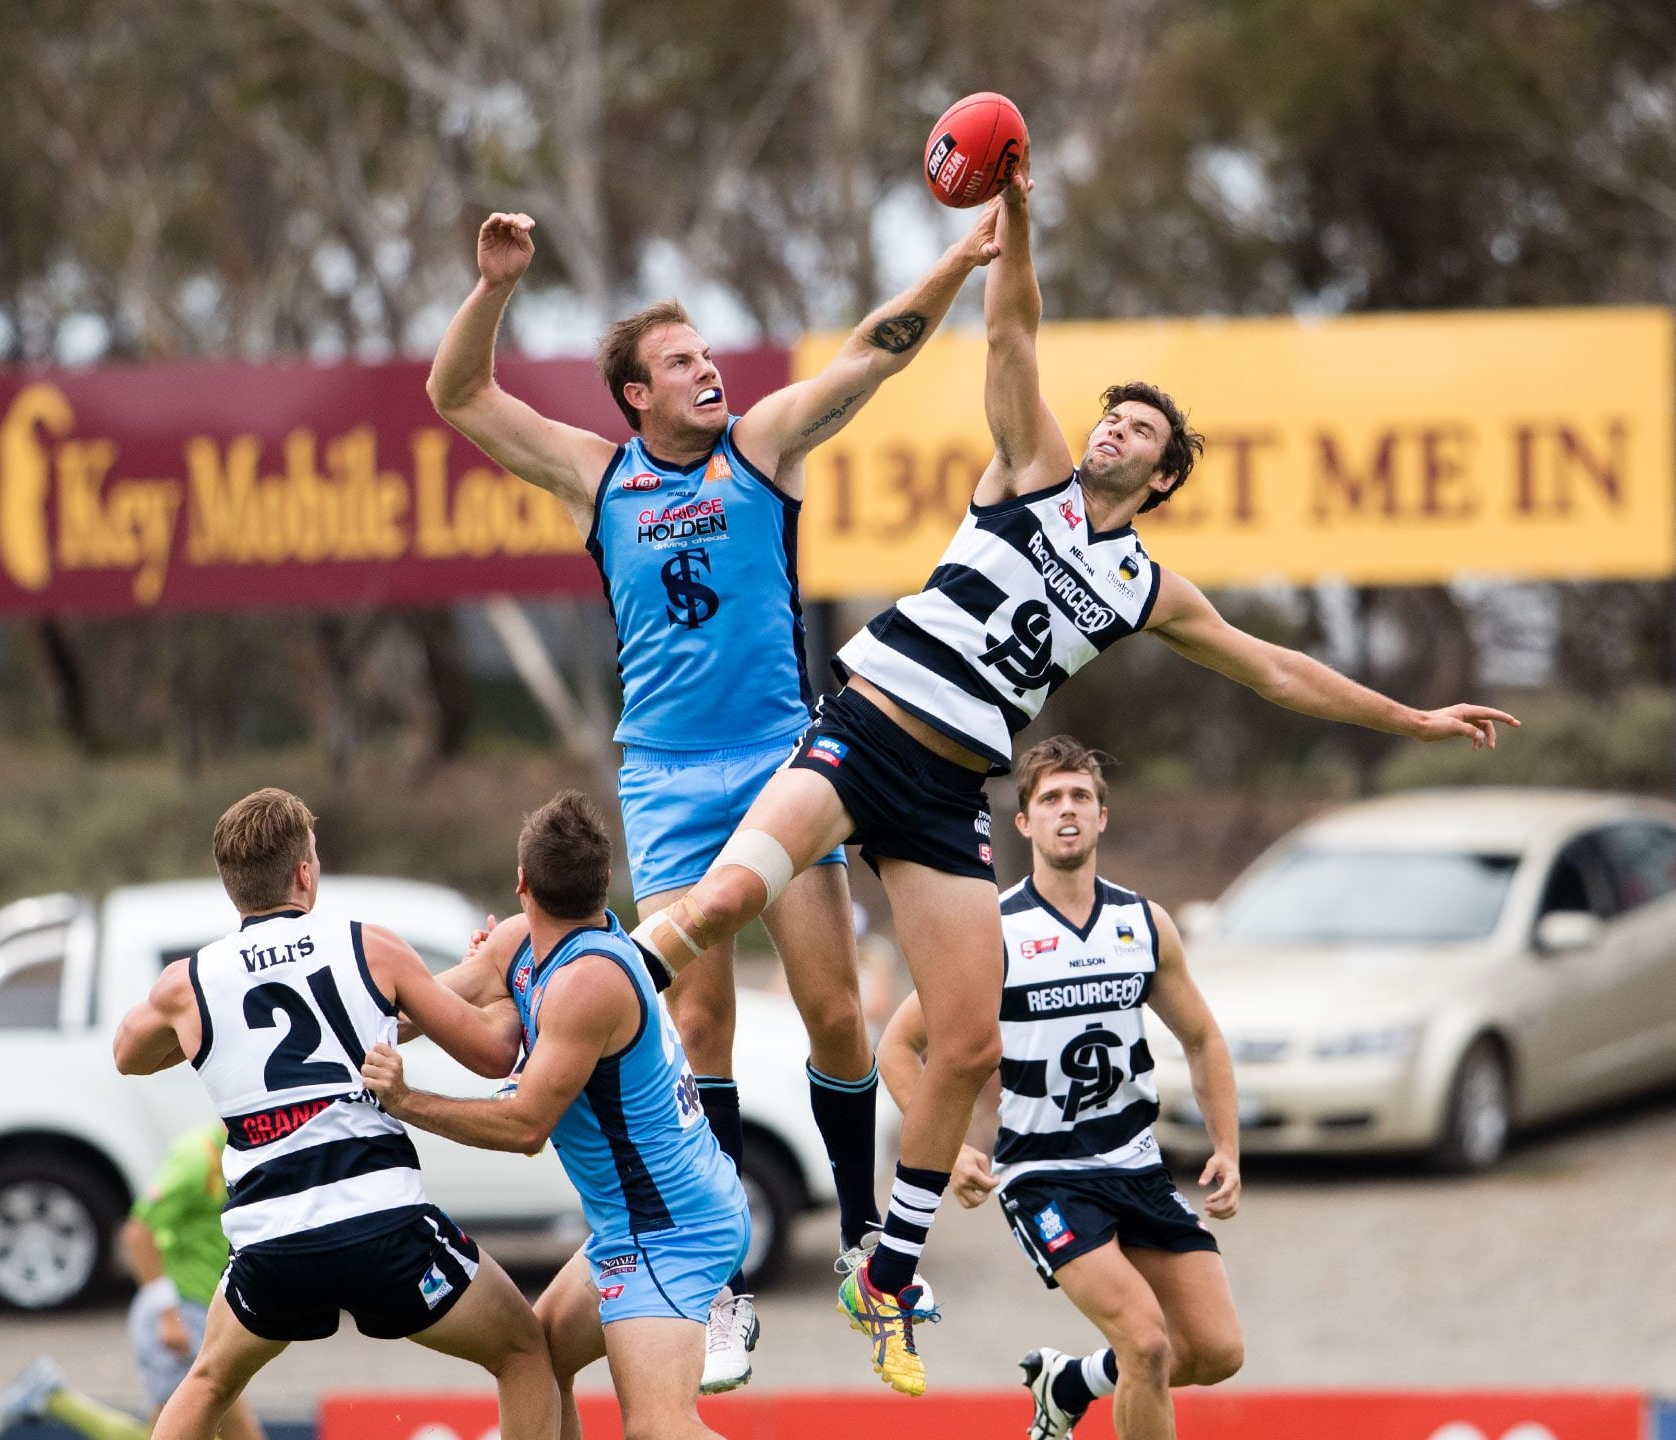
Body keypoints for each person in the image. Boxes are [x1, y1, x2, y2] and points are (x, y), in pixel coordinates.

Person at [623, 172, 1519, 1396]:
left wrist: (1409, 716)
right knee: (724, 905)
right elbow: (1012, 327)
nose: (1112, 433)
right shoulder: (1030, 473)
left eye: (1138, 434)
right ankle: (574, 987)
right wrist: (1016, 221)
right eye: (1113, 419)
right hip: (863, 729)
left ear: (1159, 481)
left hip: (948, 799)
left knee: (970, 1041)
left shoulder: (1149, 588)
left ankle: (881, 1271)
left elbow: (1276, 671)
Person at [428, 205, 1003, 1388]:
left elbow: (872, 357)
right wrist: (493, 289)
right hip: (665, 781)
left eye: (709, 355)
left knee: (836, 1013)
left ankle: (862, 1247)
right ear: (635, 395)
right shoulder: (598, 476)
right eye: (683, 362)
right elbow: (459, 398)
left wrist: (954, 262)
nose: (710, 372)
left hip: (779, 759)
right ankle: (721, 1286)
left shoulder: (763, 450)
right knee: (697, 1027)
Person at [110, 789, 557, 1440]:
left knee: (207, 1382)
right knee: (523, 1351)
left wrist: (204, 1025)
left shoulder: (189, 983)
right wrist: (501, 980)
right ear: (304, 873)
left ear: (231, 889)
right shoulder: (371, 947)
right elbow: (494, 1056)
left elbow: (128, 1054)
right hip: (383, 1223)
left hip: (272, 1240)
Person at [878, 736, 1243, 1439]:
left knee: (1216, 1351)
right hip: (1044, 1174)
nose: (1066, 810)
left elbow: (1203, 1038)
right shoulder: (993, 932)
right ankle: (1093, 1381)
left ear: (1103, 816)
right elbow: (899, 1045)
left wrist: (1226, 1145)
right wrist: (945, 1151)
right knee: (1145, 1342)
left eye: (1080, 797)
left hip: (1136, 1166)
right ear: (1025, 824)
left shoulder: (1143, 925)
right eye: (1050, 799)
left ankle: (1070, 1382)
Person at [358, 793, 749, 1440]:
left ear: (521, 883)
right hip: (634, 1225)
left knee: (657, 1428)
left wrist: (405, 1103)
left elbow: (526, 1127)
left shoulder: (588, 983)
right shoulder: (519, 946)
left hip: (670, 1230)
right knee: (536, 1355)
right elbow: (417, 1010)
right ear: (603, 885)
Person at [0, 1129, 265, 1440]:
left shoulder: (248, 1155)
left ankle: (51, 1395)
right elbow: (137, 1233)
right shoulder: (196, 1158)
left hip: (205, 1313)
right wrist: (168, 1315)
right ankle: (52, 1397)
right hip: (180, 1316)